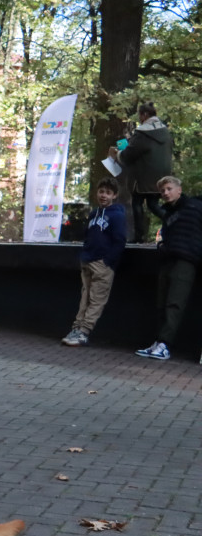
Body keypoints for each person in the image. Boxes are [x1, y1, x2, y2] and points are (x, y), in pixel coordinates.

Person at [134, 176, 202, 360]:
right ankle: (159, 341)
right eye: (163, 190)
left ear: (179, 189)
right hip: (168, 259)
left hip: (186, 259)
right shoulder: (168, 214)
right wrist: (162, 246)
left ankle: (165, 344)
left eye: (169, 188)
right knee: (161, 302)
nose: (165, 193)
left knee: (174, 302)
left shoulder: (195, 207)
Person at [61, 178, 127, 347]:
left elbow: (119, 241)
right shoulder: (93, 214)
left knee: (97, 299)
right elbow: (89, 235)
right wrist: (85, 254)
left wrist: (107, 261)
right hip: (87, 260)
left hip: (102, 263)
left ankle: (84, 331)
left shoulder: (117, 215)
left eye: (108, 192)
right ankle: (76, 328)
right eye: (101, 191)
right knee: (85, 297)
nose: (103, 195)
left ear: (114, 195)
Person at [108, 102, 173, 243]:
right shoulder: (166, 132)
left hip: (142, 176)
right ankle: (173, 222)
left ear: (144, 115)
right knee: (153, 204)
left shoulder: (143, 133)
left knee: (137, 203)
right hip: (162, 176)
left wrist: (117, 154)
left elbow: (129, 155)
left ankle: (139, 237)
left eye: (139, 115)